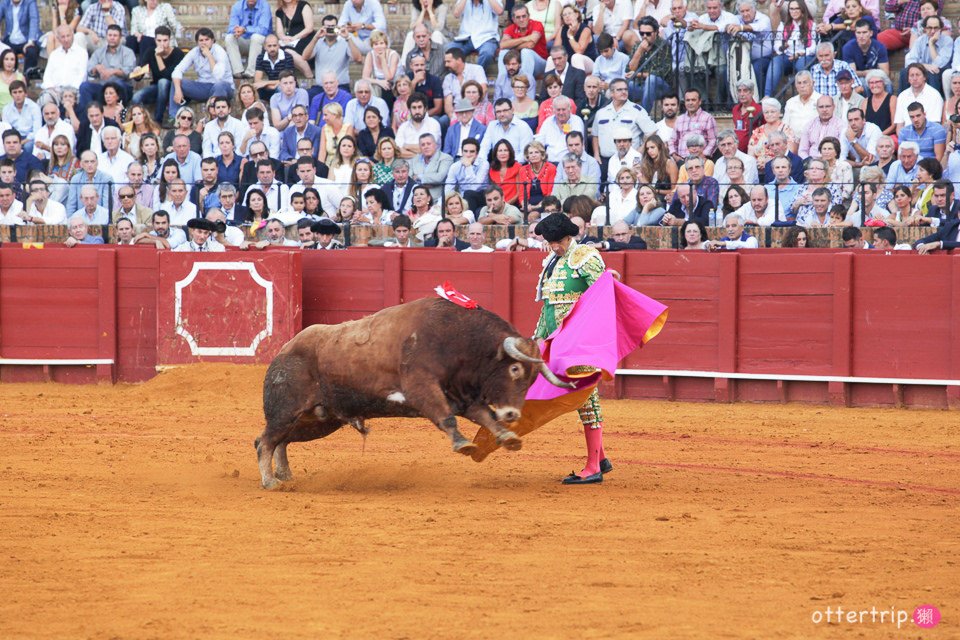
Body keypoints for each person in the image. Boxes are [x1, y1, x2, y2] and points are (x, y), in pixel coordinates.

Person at [532, 212, 610, 484]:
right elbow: (548, 307)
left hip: (580, 342)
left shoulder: (585, 257)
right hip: (559, 343)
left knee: (587, 400)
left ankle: (593, 468)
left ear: (569, 236)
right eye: (550, 242)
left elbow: (604, 296)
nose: (554, 246)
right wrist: (536, 338)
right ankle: (600, 458)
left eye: (557, 242)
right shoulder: (552, 262)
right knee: (579, 400)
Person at [169, 28, 234, 118]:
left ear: (212, 41)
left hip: (223, 88)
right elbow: (177, 70)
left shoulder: (220, 51)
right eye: (201, 40)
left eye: (207, 40)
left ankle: (217, 116)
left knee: (219, 85)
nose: (204, 43)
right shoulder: (194, 52)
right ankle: (173, 118)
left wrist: (209, 56)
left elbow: (218, 76)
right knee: (176, 82)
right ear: (197, 42)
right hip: (203, 88)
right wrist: (178, 90)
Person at [302, 15, 363, 93]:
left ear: (337, 27)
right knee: (309, 96)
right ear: (323, 28)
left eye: (333, 26)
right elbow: (305, 57)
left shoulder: (345, 40)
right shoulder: (317, 41)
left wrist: (348, 38)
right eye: (328, 27)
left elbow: (358, 58)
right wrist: (315, 38)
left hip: (340, 86)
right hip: (321, 87)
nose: (330, 29)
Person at [41, 25, 88, 104]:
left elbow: (82, 76)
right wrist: (51, 88)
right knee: (45, 99)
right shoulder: (54, 54)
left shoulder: (82, 53)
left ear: (72, 35)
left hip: (73, 91)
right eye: (63, 37)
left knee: (70, 99)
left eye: (68, 36)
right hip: (55, 91)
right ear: (58, 38)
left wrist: (69, 92)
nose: (66, 39)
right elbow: (47, 75)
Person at [224, 0, 271, 80]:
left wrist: (245, 29)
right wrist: (237, 30)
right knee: (229, 38)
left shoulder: (264, 5)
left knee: (256, 37)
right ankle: (238, 71)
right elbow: (231, 28)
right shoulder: (237, 6)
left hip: (261, 44)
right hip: (244, 41)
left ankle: (251, 72)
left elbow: (264, 30)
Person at [452, 0, 501, 69]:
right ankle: (458, 75)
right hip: (466, 38)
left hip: (487, 38)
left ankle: (477, 75)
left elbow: (499, 11)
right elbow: (456, 14)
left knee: (487, 53)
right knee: (449, 50)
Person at [274, 0, 316, 79]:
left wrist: (295, 37)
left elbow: (309, 28)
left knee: (288, 51)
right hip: (290, 40)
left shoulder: (303, 5)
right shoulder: (279, 11)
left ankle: (310, 76)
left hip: (306, 37)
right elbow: (279, 32)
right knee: (280, 49)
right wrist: (284, 38)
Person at [0, 0, 40, 78]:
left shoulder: (30, 2)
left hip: (26, 40)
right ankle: (4, 80)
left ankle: (27, 80)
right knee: (3, 51)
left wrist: (30, 41)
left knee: (32, 51)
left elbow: (34, 20)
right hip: (10, 40)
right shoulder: (5, 2)